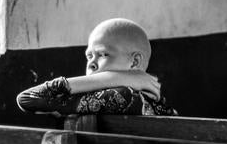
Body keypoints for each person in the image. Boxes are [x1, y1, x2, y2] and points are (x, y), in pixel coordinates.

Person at [15, 18, 176, 117]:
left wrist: (117, 77)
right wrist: (124, 77)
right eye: (89, 56)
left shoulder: (122, 97)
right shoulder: (157, 104)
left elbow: (28, 98)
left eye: (103, 54)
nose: (91, 63)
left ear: (134, 62)